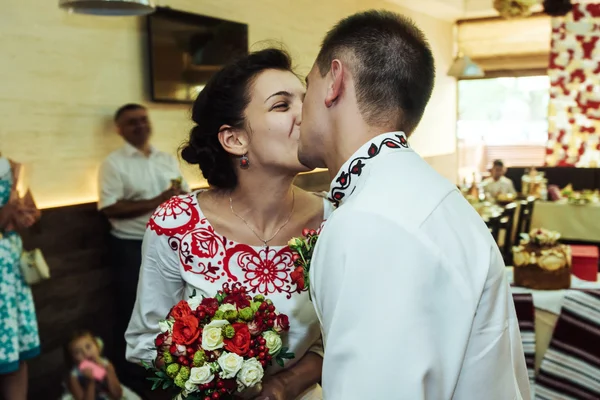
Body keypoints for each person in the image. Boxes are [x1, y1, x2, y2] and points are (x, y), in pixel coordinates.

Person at [298, 10, 531, 399]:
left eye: (306, 88)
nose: (299, 113)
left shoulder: (375, 221)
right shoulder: (416, 193)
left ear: (334, 81)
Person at [126, 48, 331, 400]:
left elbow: (347, 334)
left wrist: (285, 384)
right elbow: (145, 340)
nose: (306, 114)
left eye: (306, 100)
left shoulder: (335, 220)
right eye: (282, 105)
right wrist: (214, 374)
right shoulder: (178, 223)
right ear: (235, 139)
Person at [97, 103, 189, 387]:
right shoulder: (113, 164)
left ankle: (173, 368)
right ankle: (137, 380)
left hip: (170, 246)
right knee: (134, 309)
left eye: (143, 120)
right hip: (130, 247)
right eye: (132, 122)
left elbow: (183, 193)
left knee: (172, 307)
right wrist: (158, 200)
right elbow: (109, 208)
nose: (140, 126)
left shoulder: (165, 159)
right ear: (119, 129)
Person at [0, 156, 41, 400]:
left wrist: (26, 216)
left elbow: (31, 219)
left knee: (14, 353)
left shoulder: (10, 167)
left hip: (10, 276)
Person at [61, 330, 140, 400]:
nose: (85, 353)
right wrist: (91, 381)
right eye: (78, 352)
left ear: (97, 347)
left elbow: (117, 395)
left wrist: (108, 372)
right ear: (73, 359)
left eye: (88, 347)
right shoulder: (74, 376)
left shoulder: (107, 365)